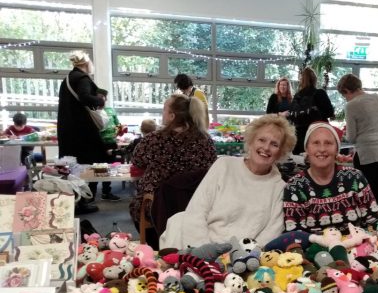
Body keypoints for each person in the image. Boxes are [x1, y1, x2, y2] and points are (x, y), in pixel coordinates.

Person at [160, 114, 296, 250]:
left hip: (244, 255)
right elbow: (197, 211)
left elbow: (271, 234)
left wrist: (242, 256)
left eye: (274, 144)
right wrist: (205, 251)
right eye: (261, 140)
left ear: (281, 152)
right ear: (251, 141)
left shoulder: (280, 187)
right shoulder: (224, 165)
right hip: (203, 246)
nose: (266, 148)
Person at [131, 94, 217, 249]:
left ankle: (157, 246)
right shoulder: (206, 141)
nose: (162, 113)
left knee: (136, 205)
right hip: (196, 203)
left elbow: (137, 162)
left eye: (164, 109)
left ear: (172, 116)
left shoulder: (153, 139)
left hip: (157, 205)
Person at [283, 122, 378, 235]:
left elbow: (375, 218)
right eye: (316, 143)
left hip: (357, 243)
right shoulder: (295, 186)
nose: (322, 149)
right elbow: (295, 233)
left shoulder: (354, 177)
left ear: (337, 149)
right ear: (307, 149)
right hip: (314, 246)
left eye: (328, 143)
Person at [57, 51, 114, 214]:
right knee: (94, 162)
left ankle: (75, 202)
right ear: (86, 63)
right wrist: (100, 100)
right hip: (81, 131)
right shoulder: (82, 78)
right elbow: (84, 97)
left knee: (72, 167)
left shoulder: (68, 79)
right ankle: (85, 200)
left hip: (68, 131)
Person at [337, 73, 378, 213]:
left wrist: (343, 136)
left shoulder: (351, 105)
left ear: (347, 90)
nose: (346, 99)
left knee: (366, 196)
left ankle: (367, 224)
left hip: (368, 154)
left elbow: (351, 137)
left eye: (344, 95)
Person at [288, 67, 334, 154]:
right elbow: (330, 112)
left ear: (301, 80)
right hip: (317, 133)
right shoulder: (320, 93)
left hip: (300, 135)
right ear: (314, 79)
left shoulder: (297, 96)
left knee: (301, 160)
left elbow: (292, 115)